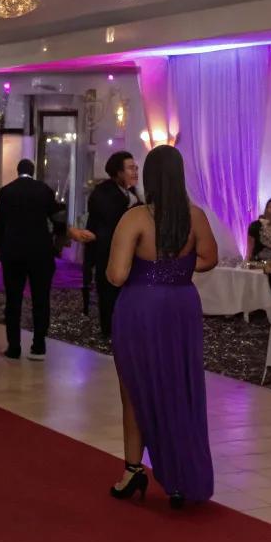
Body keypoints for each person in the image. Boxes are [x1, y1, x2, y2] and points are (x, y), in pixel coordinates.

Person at [106, 144, 217, 507]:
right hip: (182, 306)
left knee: (135, 390)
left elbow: (117, 275)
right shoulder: (195, 216)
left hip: (141, 309)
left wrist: (150, 273)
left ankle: (133, 469)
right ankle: (183, 477)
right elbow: (209, 259)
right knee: (181, 387)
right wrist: (177, 271)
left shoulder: (136, 218)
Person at [0, 158, 62, 362]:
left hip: (13, 251)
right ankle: (38, 346)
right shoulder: (44, 190)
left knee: (13, 299)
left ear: (17, 170)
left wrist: (1, 246)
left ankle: (13, 347)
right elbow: (57, 217)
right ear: (32, 171)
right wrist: (56, 244)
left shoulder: (6, 192)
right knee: (41, 299)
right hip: (40, 251)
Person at [86, 150, 142, 338]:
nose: (135, 172)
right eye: (130, 168)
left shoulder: (132, 192)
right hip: (108, 250)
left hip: (131, 252)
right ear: (118, 172)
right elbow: (111, 219)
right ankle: (109, 332)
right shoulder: (103, 192)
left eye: (136, 168)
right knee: (109, 292)